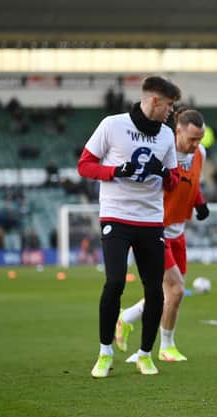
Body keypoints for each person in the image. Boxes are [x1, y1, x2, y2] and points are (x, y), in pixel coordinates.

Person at [78, 76, 181, 378]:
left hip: (151, 220)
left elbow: (174, 181)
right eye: (169, 106)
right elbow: (85, 165)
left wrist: (162, 172)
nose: (171, 112)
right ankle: (105, 352)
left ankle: (145, 354)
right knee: (114, 283)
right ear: (154, 101)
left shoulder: (165, 135)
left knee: (154, 290)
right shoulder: (112, 125)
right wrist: (114, 171)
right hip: (116, 217)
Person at [115, 108, 209, 362]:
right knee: (176, 290)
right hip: (154, 230)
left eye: (199, 139)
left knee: (170, 293)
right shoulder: (163, 152)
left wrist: (199, 202)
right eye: (192, 139)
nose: (196, 144)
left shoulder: (200, 153)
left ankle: (126, 318)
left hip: (178, 231)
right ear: (177, 130)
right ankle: (162, 347)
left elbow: (193, 183)